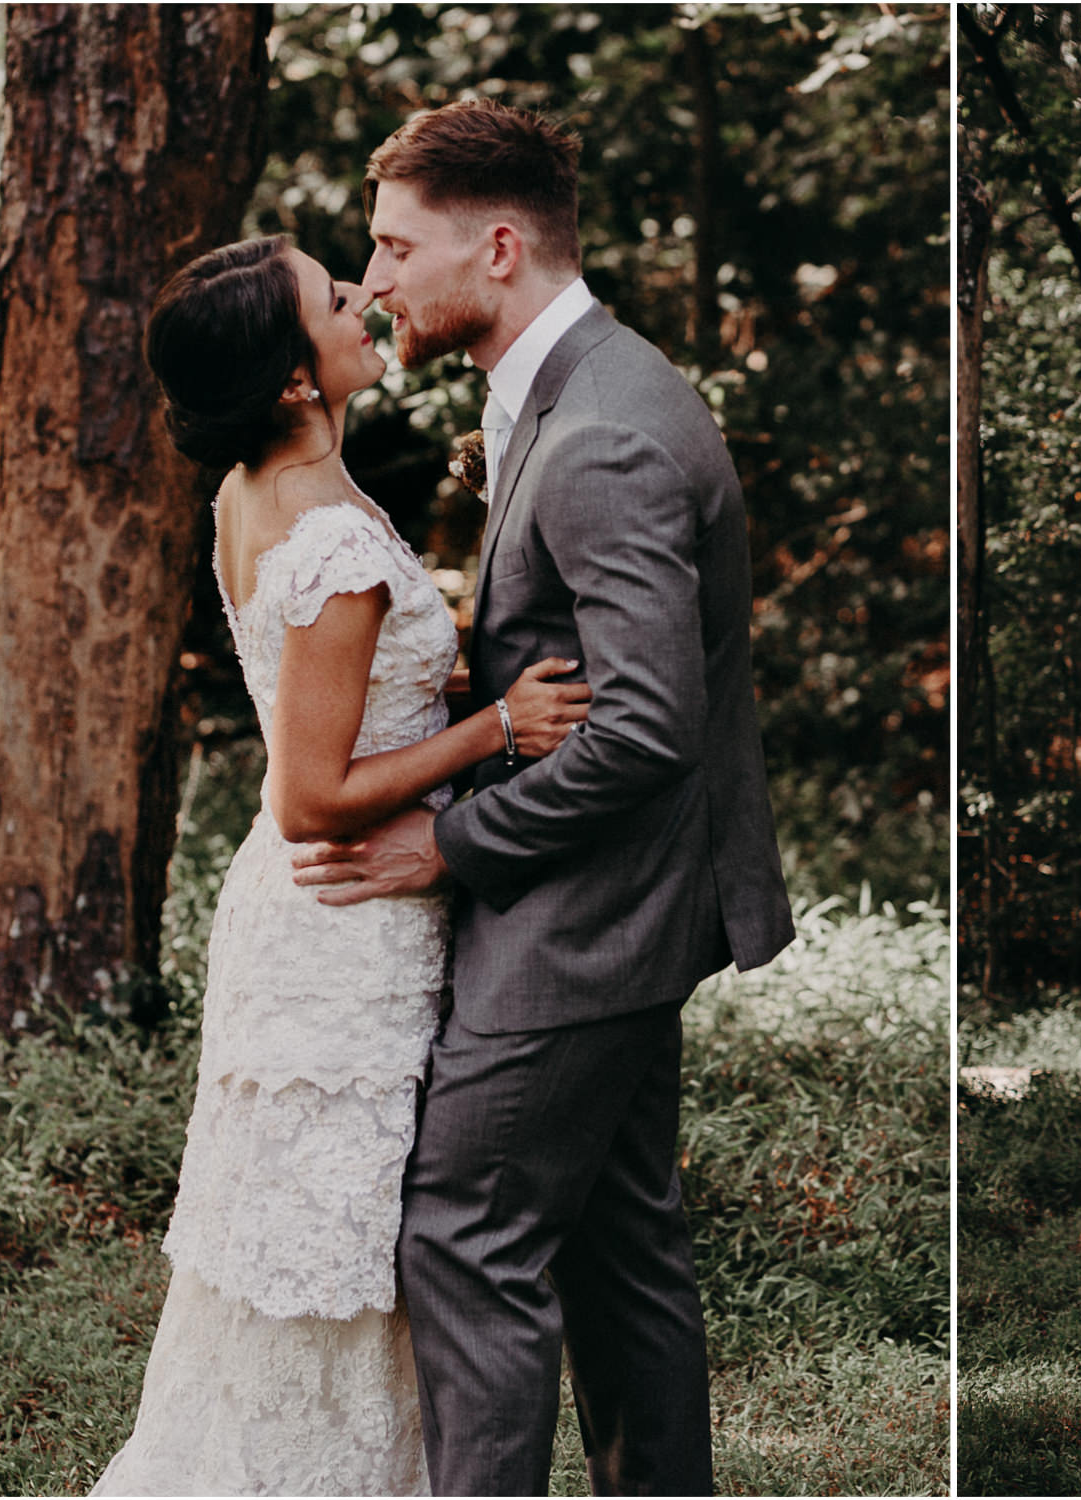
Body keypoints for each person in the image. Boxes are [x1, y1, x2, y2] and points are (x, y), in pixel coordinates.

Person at [289, 99, 794, 1496]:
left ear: (497, 246)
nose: (376, 278)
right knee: (618, 1246)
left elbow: (642, 730)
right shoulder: (579, 393)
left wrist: (444, 844)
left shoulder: (604, 435)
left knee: (463, 1230)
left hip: (586, 920)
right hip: (627, 908)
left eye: (395, 246)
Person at [93, 235, 591, 1494]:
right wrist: (496, 725)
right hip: (344, 914)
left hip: (300, 913)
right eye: (333, 298)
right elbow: (312, 795)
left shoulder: (261, 492)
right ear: (294, 383)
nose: (366, 297)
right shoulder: (332, 545)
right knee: (339, 1250)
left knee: (308, 1252)